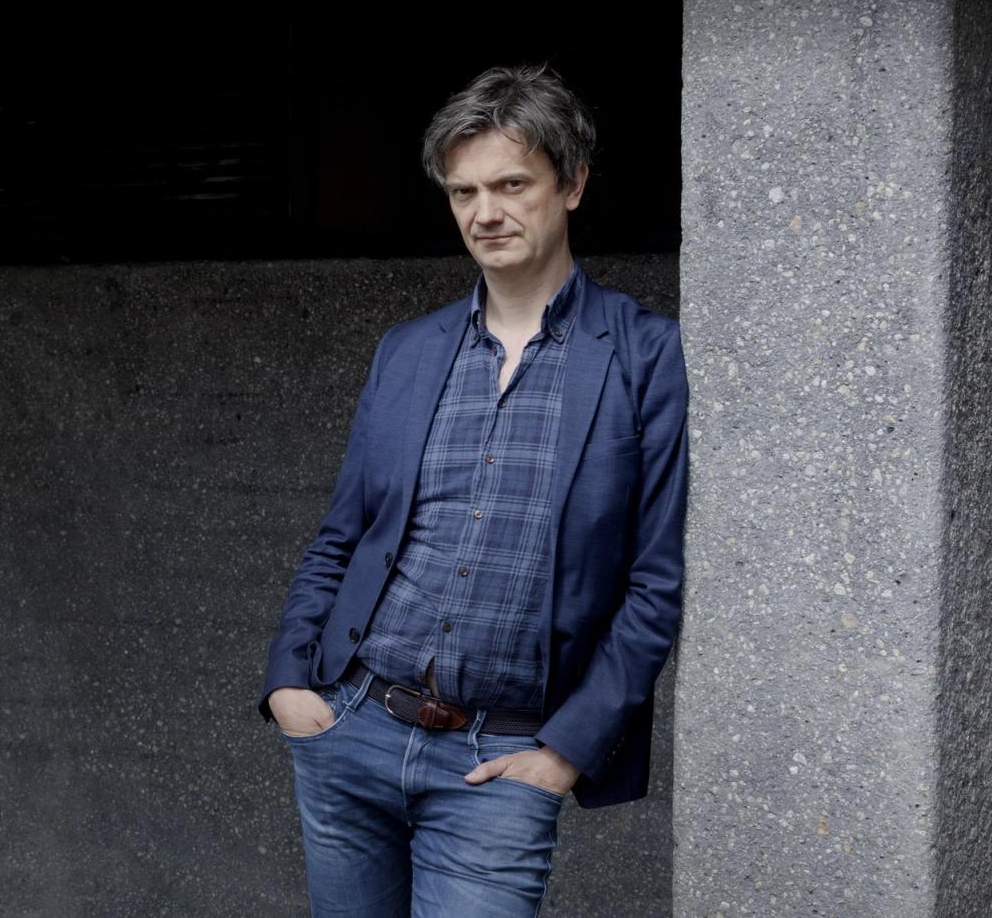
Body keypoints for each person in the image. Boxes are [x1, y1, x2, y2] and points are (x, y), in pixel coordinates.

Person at [259, 65, 689, 917]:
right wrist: (289, 683)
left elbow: (654, 584)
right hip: (351, 730)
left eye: (511, 185)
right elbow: (344, 534)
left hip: (500, 764)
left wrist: (564, 752)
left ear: (572, 185)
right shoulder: (407, 350)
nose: (485, 212)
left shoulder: (645, 357)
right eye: (464, 192)